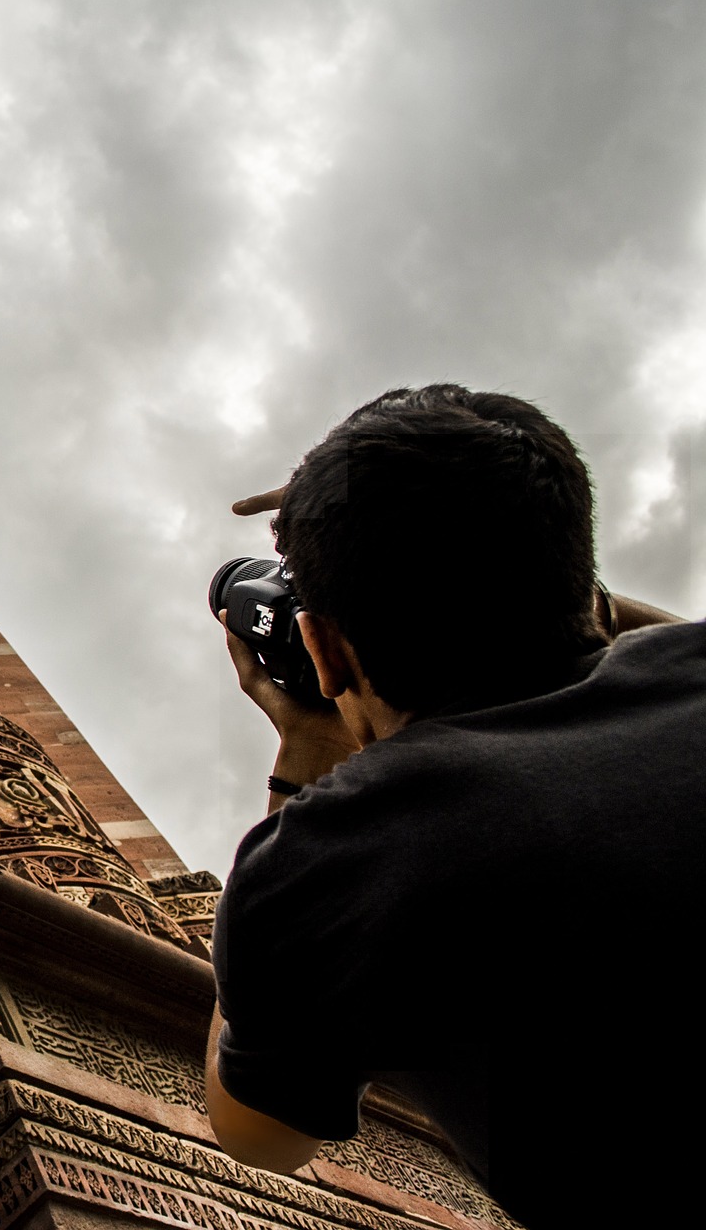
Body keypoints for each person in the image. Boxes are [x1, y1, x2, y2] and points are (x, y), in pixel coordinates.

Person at [203, 384, 698, 1228]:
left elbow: (259, 1136)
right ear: (580, 571)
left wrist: (304, 760)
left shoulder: (339, 860)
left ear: (320, 647)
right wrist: (479, 520)